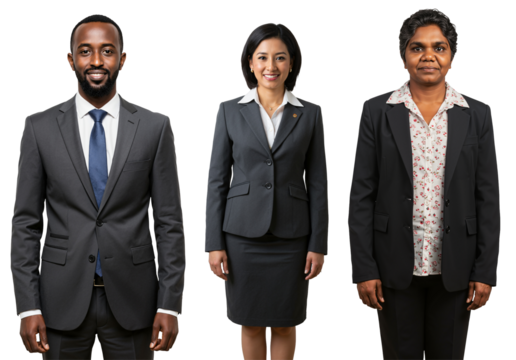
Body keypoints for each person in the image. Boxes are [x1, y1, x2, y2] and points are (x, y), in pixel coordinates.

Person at [11, 13, 185, 359]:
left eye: (106, 51)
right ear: (70, 60)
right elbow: (26, 223)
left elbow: (169, 224)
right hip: (59, 302)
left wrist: (170, 304)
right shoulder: (39, 127)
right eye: (85, 51)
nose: (95, 61)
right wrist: (28, 307)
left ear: (122, 59)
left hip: (136, 302)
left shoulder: (155, 127)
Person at [348, 7, 500, 360]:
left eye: (439, 47)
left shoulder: (476, 113)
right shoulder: (377, 110)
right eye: (417, 48)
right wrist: (364, 268)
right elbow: (361, 195)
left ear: (451, 57)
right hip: (392, 267)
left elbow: (488, 197)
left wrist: (486, 271)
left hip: (457, 268)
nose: (428, 55)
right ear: (404, 57)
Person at [205, 22, 328, 360]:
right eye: (262, 57)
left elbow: (318, 184)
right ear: (249, 62)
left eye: (280, 58)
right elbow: (217, 181)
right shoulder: (229, 110)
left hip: (292, 237)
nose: (270, 67)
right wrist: (213, 244)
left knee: (286, 324)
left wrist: (318, 245)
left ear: (292, 63)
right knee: (251, 324)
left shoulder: (310, 113)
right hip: (241, 236)